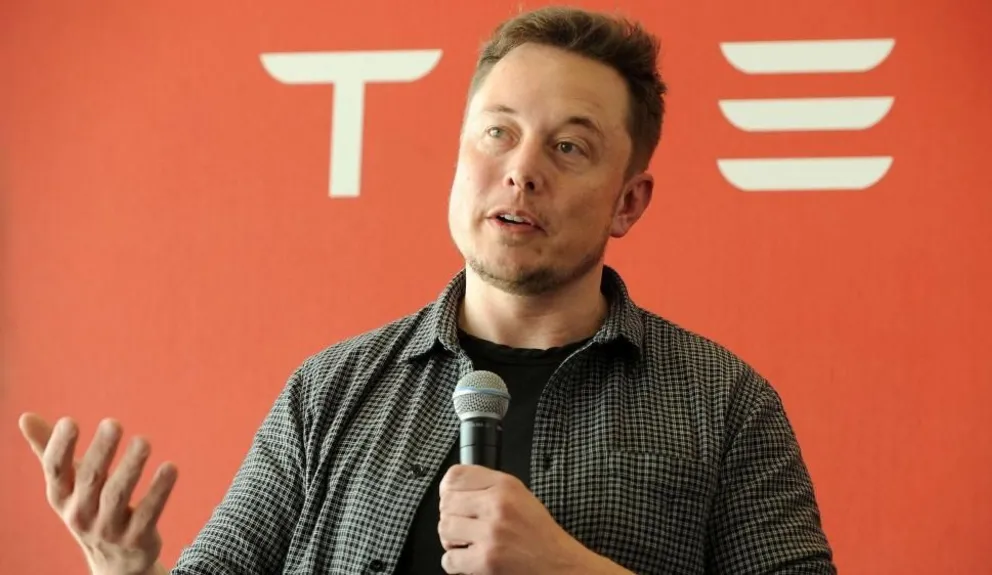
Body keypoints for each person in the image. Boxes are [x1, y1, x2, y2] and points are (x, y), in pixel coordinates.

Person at [18, 6, 837, 575]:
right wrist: (123, 565)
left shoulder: (724, 404)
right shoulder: (328, 391)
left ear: (628, 201)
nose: (521, 169)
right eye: (498, 132)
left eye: (570, 147)